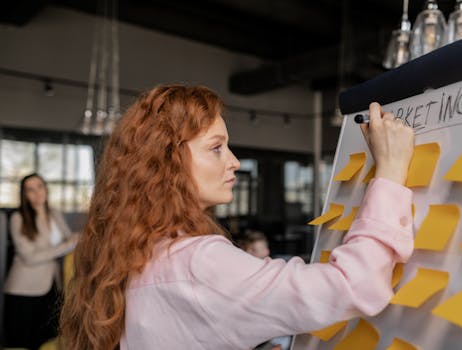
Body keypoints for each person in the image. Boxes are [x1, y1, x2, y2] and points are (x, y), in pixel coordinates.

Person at [60, 85, 414, 350]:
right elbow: (354, 286)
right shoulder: (197, 261)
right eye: (216, 148)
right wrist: (391, 173)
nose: (234, 162)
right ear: (165, 163)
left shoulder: (136, 251)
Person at [3, 173, 79, 350]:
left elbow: (70, 239)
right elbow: (30, 257)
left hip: (51, 286)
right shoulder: (18, 218)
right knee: (22, 343)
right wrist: (67, 245)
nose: (37, 193)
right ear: (25, 195)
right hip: (24, 290)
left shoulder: (54, 213)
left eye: (40, 186)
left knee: (47, 341)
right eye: (30, 189)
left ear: (46, 188)